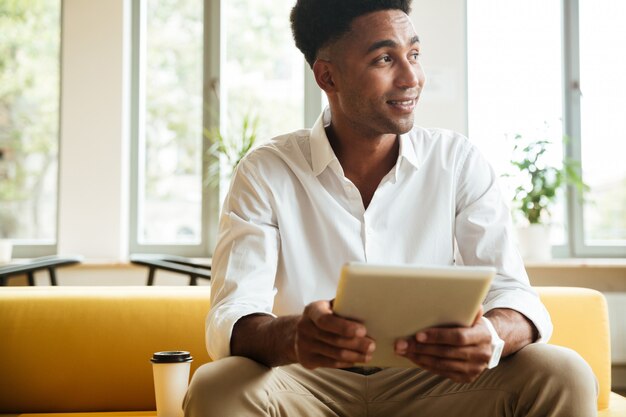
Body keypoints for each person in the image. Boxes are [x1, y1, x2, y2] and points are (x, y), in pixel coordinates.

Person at [184, 0, 597, 415]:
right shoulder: (266, 170)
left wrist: (490, 334)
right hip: (308, 379)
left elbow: (513, 293)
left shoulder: (457, 161)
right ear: (328, 75)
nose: (412, 77)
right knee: (216, 387)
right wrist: (293, 337)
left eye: (413, 54)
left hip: (436, 380)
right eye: (385, 58)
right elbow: (234, 312)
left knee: (563, 372)